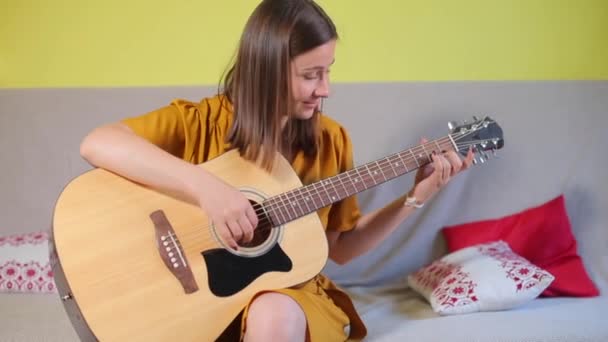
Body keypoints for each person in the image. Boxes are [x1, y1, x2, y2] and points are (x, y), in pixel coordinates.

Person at [80, 0, 474, 341]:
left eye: (328, 70)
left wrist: (415, 197)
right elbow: (98, 142)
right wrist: (207, 189)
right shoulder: (201, 122)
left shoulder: (331, 140)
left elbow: (341, 249)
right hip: (201, 298)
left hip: (290, 293)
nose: (326, 89)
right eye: (311, 75)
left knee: (274, 312)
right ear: (266, 70)